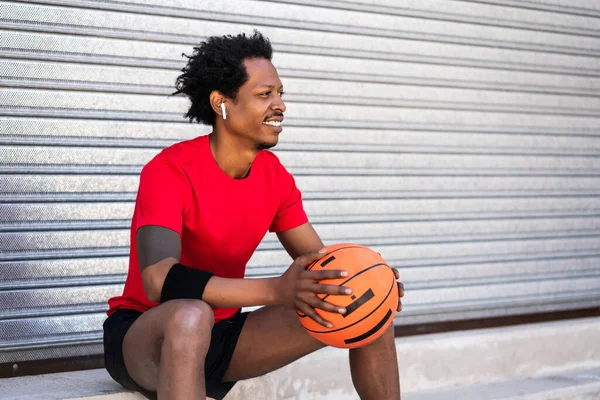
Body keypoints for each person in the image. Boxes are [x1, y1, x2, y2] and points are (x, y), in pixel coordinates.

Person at [103, 31, 405, 400]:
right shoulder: (170, 170)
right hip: (148, 339)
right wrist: (275, 290)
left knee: (369, 302)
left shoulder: (274, 177)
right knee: (190, 315)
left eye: (280, 94)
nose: (279, 105)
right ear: (221, 103)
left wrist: (365, 281)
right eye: (265, 95)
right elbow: (158, 279)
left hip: (224, 338)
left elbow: (320, 266)